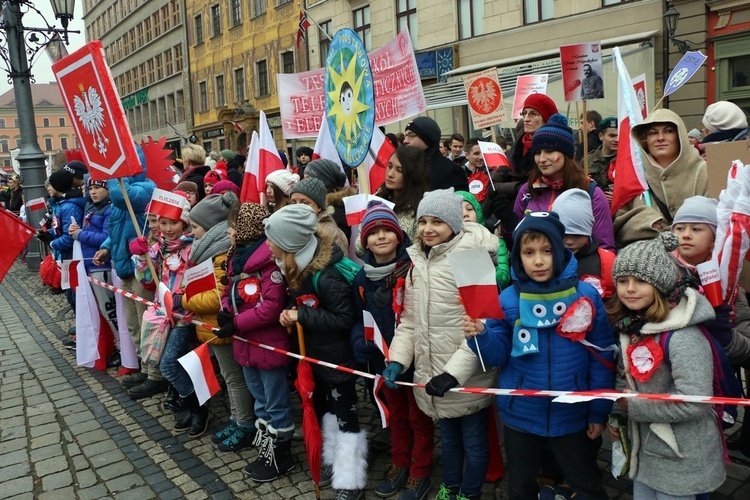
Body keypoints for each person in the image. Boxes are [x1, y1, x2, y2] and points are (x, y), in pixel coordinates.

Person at [463, 211, 613, 500]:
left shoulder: (586, 296)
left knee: (585, 481)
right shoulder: (507, 299)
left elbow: (602, 358)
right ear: (519, 256)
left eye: (547, 251)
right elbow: (498, 355)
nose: (539, 260)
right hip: (520, 415)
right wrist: (480, 334)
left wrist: (598, 410)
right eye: (529, 252)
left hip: (572, 413)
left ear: (560, 251)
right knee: (521, 485)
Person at [383, 189, 498, 500]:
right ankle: (450, 485)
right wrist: (398, 360)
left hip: (466, 377)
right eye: (422, 221)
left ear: (454, 224)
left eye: (437, 221)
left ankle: (469, 492)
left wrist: (454, 374)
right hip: (432, 376)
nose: (427, 229)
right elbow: (409, 321)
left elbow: (483, 323)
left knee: (473, 442)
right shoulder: (418, 262)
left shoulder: (472, 259)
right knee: (447, 439)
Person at [607, 232, 726, 498]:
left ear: (660, 284)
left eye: (640, 281)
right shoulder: (633, 327)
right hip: (647, 453)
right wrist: (618, 410)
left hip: (682, 457)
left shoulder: (683, 336)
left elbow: (693, 402)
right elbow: (625, 377)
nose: (630, 289)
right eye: (623, 281)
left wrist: (633, 405)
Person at [266, 204, 364, 500]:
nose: (268, 245)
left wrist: (302, 317)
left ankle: (350, 482)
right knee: (328, 414)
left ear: (290, 243)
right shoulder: (297, 263)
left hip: (338, 360)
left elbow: (343, 319)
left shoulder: (326, 274)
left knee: (345, 419)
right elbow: (307, 306)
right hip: (317, 357)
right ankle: (335, 462)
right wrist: (292, 313)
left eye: (273, 240)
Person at [350, 202, 435, 500]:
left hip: (415, 360)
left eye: (388, 230)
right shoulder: (361, 279)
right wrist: (360, 341)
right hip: (383, 361)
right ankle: (400, 462)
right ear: (365, 241)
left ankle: (420, 470)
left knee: (418, 417)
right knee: (395, 416)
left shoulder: (413, 268)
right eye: (374, 233)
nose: (382, 237)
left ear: (400, 236)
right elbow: (359, 319)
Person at [217, 201, 295, 481]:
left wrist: (236, 323)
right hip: (245, 345)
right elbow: (230, 287)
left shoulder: (269, 265)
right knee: (260, 403)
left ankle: (282, 456)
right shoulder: (237, 260)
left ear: (246, 229)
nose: (229, 233)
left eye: (233, 228)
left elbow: (270, 308)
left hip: (266, 344)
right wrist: (225, 310)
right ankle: (266, 449)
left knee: (275, 403)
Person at [182, 192, 260, 452]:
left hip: (220, 325)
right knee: (230, 377)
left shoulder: (219, 256)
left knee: (234, 378)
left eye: (195, 227)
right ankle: (237, 419)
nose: (192, 233)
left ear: (212, 227)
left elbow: (216, 296)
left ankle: (245, 424)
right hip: (211, 327)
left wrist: (184, 300)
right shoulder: (210, 253)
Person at [130, 196, 207, 436]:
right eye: (162, 223)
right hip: (164, 315)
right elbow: (147, 282)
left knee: (169, 364)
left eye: (172, 223)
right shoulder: (158, 248)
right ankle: (187, 404)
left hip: (186, 314)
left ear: (184, 223)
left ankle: (200, 408)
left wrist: (182, 299)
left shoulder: (193, 247)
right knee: (174, 362)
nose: (166, 229)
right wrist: (142, 258)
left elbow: (200, 281)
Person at [93, 147, 161, 393]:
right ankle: (145, 368)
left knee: (147, 324)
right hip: (124, 266)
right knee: (133, 324)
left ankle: (156, 375)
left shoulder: (144, 188)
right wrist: (106, 247)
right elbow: (116, 230)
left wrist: (111, 172)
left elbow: (121, 196)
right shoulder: (121, 190)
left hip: (141, 269)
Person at [513, 113, 616, 252]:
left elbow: (606, 248)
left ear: (566, 155)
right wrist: (509, 225)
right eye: (538, 153)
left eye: (549, 151)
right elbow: (515, 243)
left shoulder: (590, 192)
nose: (542, 159)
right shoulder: (527, 190)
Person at [613, 108, 708, 247]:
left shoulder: (703, 171)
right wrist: (646, 222)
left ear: (680, 135)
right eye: (653, 133)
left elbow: (715, 221)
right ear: (645, 140)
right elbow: (618, 227)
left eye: (668, 131)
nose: (660, 138)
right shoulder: (635, 175)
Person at [486, 94, 559, 238]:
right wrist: (519, 187)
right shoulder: (514, 150)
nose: (526, 119)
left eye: (533, 114)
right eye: (524, 113)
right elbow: (493, 186)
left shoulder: (559, 150)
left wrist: (511, 187)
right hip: (509, 219)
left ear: (546, 118)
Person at [69, 178, 117, 354]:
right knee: (98, 311)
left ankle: (120, 348)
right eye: (90, 188)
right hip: (88, 265)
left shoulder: (110, 209)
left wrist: (80, 234)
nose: (93, 192)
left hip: (100, 266)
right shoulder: (90, 207)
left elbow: (105, 239)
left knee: (109, 311)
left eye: (97, 188)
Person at [551, 189, 616, 299]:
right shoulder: (545, 259)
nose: (569, 242)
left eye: (577, 235)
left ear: (589, 231)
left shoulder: (605, 261)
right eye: (564, 235)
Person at [372, 146, 432, 244]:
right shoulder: (377, 200)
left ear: (413, 174)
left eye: (399, 170)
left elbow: (421, 248)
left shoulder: (424, 208)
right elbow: (359, 247)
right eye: (390, 166)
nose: (390, 174)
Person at [458, 191, 510, 289]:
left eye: (469, 209)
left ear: (478, 212)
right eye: (458, 210)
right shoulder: (446, 244)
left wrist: (486, 260)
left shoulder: (495, 243)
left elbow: (503, 280)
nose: (465, 214)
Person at [403, 117, 468, 192]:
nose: (405, 141)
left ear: (427, 138)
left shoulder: (451, 171)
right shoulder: (407, 167)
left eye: (411, 135)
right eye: (406, 135)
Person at [290, 178, 348, 255]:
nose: (297, 207)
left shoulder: (331, 232)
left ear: (319, 207)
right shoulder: (288, 225)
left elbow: (339, 263)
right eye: (293, 203)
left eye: (304, 203)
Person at [303, 158, 355, 243]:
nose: (304, 183)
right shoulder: (316, 204)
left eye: (309, 179)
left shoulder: (336, 211)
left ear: (324, 181)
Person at [585, 116, 618, 196]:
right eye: (612, 136)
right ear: (601, 136)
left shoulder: (626, 160)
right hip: (595, 205)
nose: (617, 139)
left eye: (618, 135)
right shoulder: (587, 160)